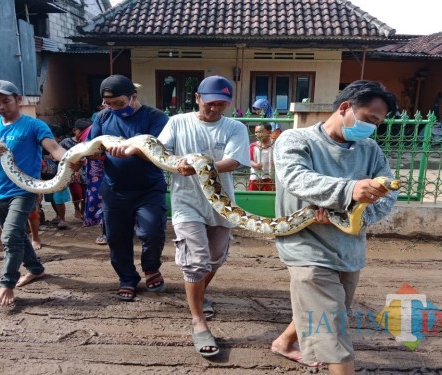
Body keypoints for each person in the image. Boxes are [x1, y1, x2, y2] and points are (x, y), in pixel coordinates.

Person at [271, 80, 398, 374]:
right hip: (304, 245)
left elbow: (389, 193)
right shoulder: (295, 140)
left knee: (330, 309)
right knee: (332, 325)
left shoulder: (371, 150)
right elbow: (296, 179)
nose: (372, 128)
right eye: (369, 119)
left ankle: (283, 342)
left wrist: (352, 215)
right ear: (345, 108)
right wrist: (350, 190)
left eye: (378, 123)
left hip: (348, 248)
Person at [153, 76, 250, 357]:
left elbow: (233, 162)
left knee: (215, 258)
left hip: (221, 204)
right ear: (197, 98)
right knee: (196, 261)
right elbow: (161, 153)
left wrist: (197, 165)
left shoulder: (235, 127)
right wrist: (175, 163)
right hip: (187, 203)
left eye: (222, 104)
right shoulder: (178, 122)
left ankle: (197, 295)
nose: (215, 109)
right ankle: (198, 322)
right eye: (210, 103)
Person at [0, 80, 67, 306]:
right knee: (17, 236)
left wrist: (73, 158)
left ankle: (7, 282)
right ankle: (35, 269)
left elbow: (55, 149)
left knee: (10, 236)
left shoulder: (34, 126)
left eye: (6, 101)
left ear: (19, 99)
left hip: (24, 190)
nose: (1, 106)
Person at [86, 74, 169, 301]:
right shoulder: (103, 118)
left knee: (152, 231)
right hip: (114, 189)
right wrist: (91, 153)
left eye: (120, 104)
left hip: (148, 188)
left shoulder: (156, 117)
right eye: (109, 104)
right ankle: (127, 278)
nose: (114, 108)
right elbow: (94, 149)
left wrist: (133, 149)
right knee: (116, 237)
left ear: (133, 97)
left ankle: (151, 267)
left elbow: (161, 152)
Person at [42, 124, 71, 229]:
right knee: (51, 199)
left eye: (51, 136)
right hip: (47, 178)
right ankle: (58, 215)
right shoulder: (42, 149)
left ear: (58, 138)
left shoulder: (62, 149)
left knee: (58, 199)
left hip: (59, 178)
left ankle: (63, 219)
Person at [60, 118, 90, 220]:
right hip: (72, 173)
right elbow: (59, 155)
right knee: (77, 193)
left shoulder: (88, 143)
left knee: (85, 194)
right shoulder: (66, 142)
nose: (82, 134)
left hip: (86, 173)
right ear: (74, 130)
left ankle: (83, 212)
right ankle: (76, 208)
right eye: (80, 131)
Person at [248, 123, 275, 191]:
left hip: (271, 176)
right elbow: (248, 160)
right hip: (256, 176)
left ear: (270, 132)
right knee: (253, 195)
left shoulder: (275, 145)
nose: (258, 134)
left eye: (261, 131)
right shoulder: (253, 146)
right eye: (256, 132)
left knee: (271, 196)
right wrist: (255, 164)